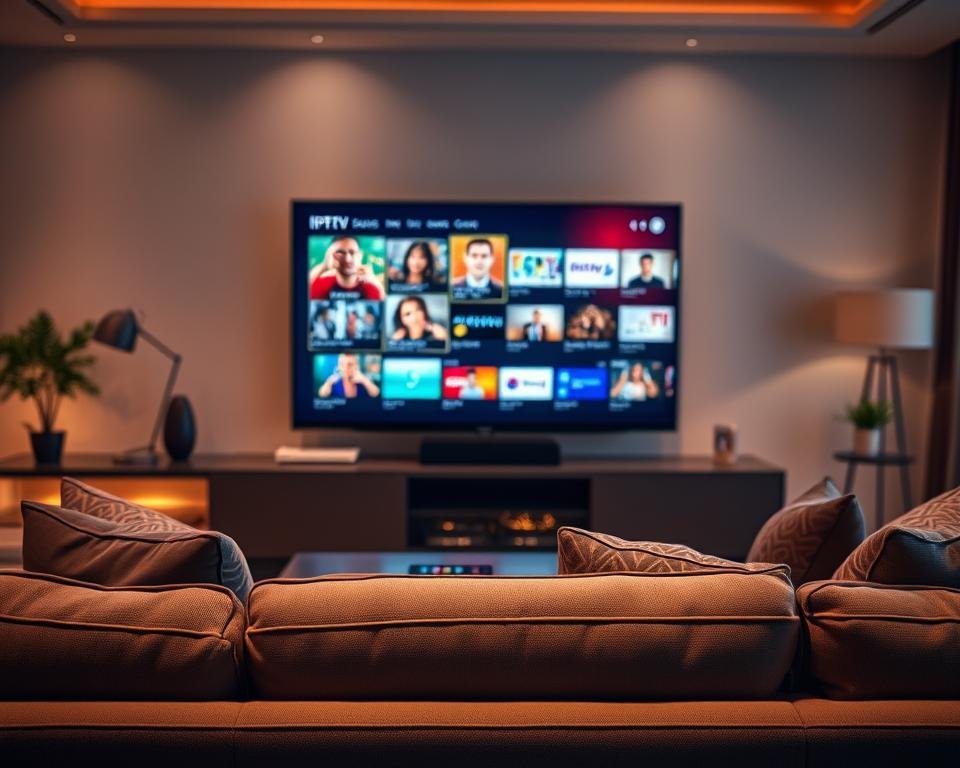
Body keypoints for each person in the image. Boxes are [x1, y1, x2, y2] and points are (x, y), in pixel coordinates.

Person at [309, 236, 385, 300]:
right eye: (340, 253)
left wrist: (375, 282)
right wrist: (324, 266)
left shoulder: (371, 287)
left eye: (352, 252)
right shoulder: (322, 285)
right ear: (331, 256)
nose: (347, 259)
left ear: (360, 255)